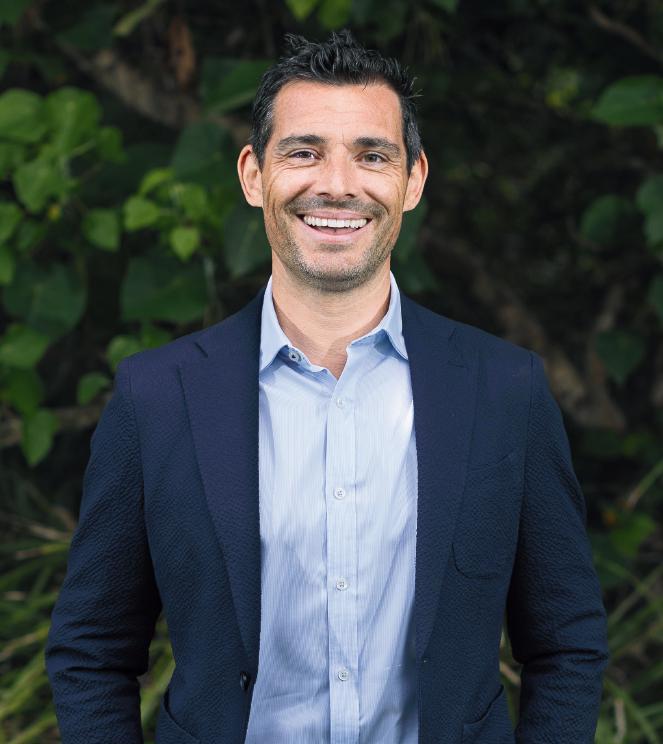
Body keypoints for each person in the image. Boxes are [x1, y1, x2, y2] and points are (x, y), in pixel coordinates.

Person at [45, 30, 610, 744]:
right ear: (253, 175)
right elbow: (92, 649)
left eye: (371, 155)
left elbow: (566, 643)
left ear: (412, 180)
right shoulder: (156, 397)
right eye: (303, 152)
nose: (337, 184)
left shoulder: (505, 390)